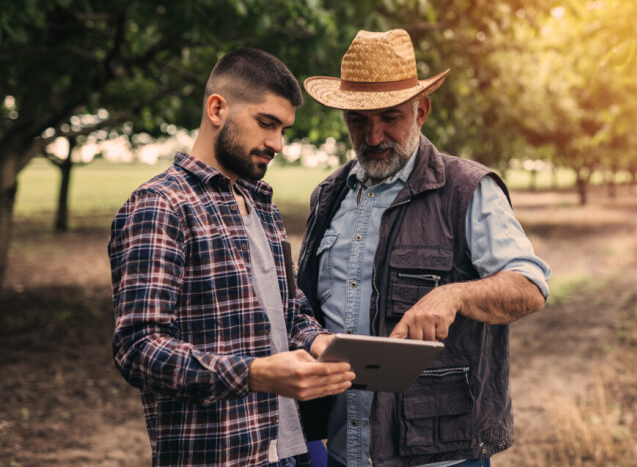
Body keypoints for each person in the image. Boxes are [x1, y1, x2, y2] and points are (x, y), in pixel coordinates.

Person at [296, 30, 552, 467]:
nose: (373, 135)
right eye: (358, 121)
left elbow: (530, 286)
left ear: (422, 111)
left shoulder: (467, 189)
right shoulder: (328, 194)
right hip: (341, 448)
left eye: (390, 117)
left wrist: (454, 294)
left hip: (438, 453)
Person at [109, 48, 355, 467]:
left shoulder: (263, 206)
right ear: (217, 108)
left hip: (291, 452)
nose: (277, 143)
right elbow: (138, 349)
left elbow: (288, 308)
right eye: (266, 123)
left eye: (284, 129)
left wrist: (318, 341)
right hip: (217, 456)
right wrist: (255, 373)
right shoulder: (160, 205)